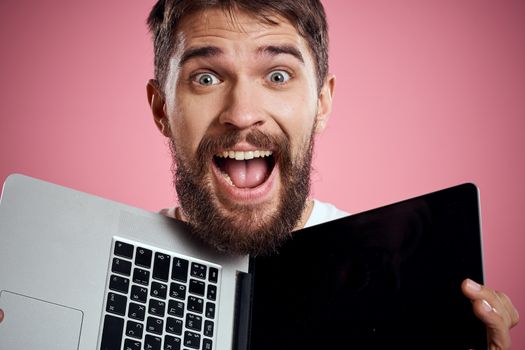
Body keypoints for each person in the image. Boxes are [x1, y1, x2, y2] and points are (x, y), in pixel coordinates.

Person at [0, 0, 519, 348]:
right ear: (161, 108)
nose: (243, 112)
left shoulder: (395, 287)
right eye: (205, 77)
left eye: (277, 75)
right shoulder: (95, 286)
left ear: (322, 102)